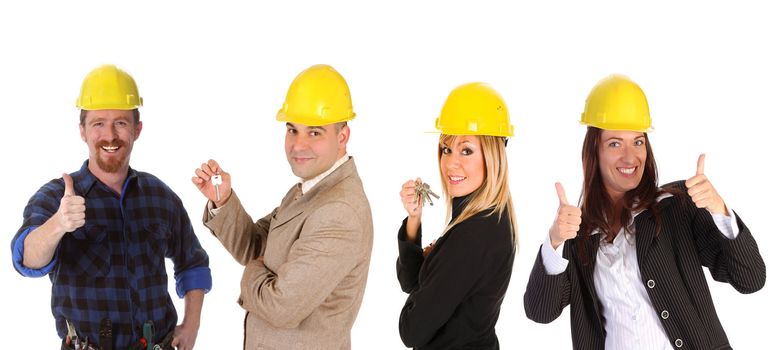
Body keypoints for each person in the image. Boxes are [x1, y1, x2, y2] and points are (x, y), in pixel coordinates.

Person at [524, 75, 766, 349]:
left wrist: (719, 210)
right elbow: (540, 312)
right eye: (615, 143)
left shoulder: (676, 206)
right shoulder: (579, 233)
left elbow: (750, 279)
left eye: (638, 142)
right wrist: (555, 241)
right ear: (594, 152)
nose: (630, 157)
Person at [11, 64, 212, 350]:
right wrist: (58, 224)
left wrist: (192, 326)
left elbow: (193, 263)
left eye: (120, 122)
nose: (110, 135)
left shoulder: (159, 197)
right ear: (82, 131)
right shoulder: (57, 197)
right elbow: (26, 260)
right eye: (98, 123)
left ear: (137, 129)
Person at [192, 64, 373, 350]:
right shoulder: (308, 188)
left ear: (342, 136)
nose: (298, 145)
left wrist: (252, 272)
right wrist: (223, 200)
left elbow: (281, 307)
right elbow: (256, 246)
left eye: (314, 133)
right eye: (292, 130)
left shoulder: (339, 211)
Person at [396, 82, 517, 349]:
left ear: (493, 154)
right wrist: (414, 220)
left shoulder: (473, 235)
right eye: (446, 149)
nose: (451, 162)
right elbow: (410, 280)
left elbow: (411, 331)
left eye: (466, 150)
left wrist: (433, 269)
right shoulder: (486, 214)